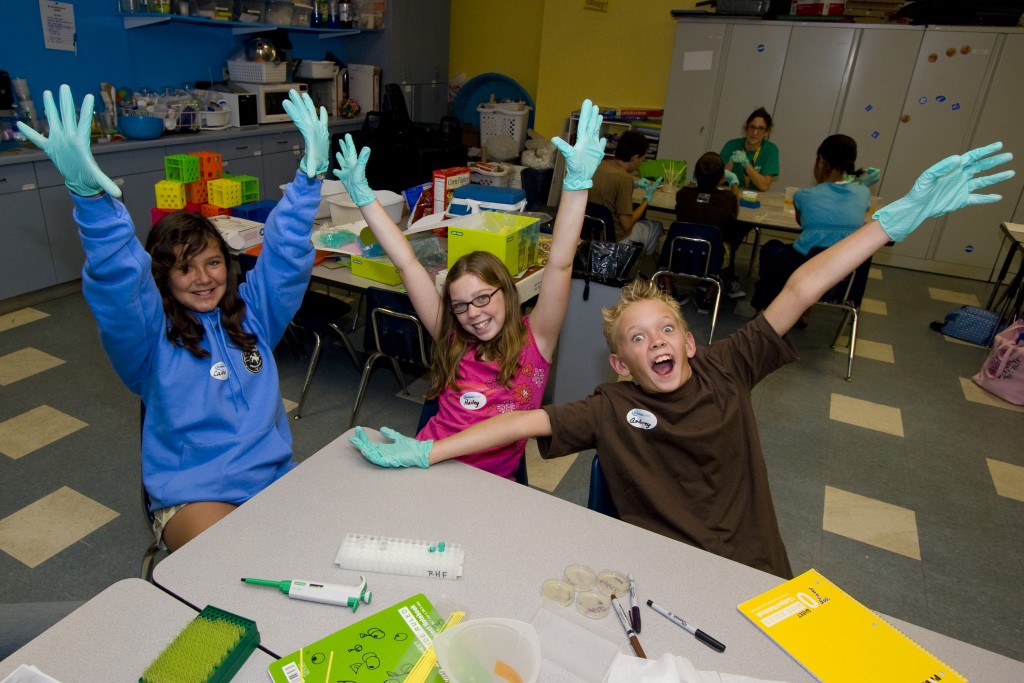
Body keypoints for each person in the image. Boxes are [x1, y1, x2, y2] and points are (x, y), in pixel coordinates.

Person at [349, 142, 1013, 578]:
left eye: (664, 329)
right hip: (653, 569)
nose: (654, 342)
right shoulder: (612, 405)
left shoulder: (727, 366)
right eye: (635, 339)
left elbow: (802, 287)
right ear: (618, 363)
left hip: (753, 569)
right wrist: (425, 452)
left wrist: (893, 220)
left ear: (691, 339)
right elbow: (525, 424)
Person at [18, 85, 332, 551]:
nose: (203, 278)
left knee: (324, 549)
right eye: (184, 268)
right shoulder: (148, 341)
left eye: (212, 262)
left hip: (271, 476)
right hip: (193, 494)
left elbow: (284, 258)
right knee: (231, 563)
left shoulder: (254, 315)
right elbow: (120, 284)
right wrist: (91, 203)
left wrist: (308, 181)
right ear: (162, 277)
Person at [332, 99, 606, 480]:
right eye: (460, 306)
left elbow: (560, 264)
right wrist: (364, 198)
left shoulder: (536, 340)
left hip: (490, 486)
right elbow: (407, 262)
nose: (473, 313)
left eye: (482, 298)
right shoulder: (452, 335)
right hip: (429, 465)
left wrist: (576, 187)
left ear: (507, 294)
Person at [751, 134, 872, 313]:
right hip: (844, 273)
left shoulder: (804, 196)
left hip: (807, 267)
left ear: (821, 161)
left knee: (772, 249)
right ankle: (802, 312)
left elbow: (803, 222)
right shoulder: (863, 192)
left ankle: (769, 310)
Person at [662, 151, 743, 310]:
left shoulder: (683, 195)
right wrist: (734, 185)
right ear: (722, 178)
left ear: (694, 174)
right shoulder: (728, 199)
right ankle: (707, 297)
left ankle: (668, 288)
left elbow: (691, 198)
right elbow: (734, 216)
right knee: (726, 242)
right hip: (711, 257)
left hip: (678, 253)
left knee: (659, 237)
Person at [590, 130, 664, 256]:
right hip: (615, 240)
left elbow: (607, 189)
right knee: (656, 226)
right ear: (635, 157)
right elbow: (627, 225)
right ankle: (631, 264)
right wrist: (646, 200)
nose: (641, 163)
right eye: (642, 159)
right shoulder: (625, 179)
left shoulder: (600, 166)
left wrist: (634, 185)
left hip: (591, 234)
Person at [721, 107, 779, 192]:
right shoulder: (731, 145)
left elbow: (764, 186)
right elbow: (716, 182)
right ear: (746, 129)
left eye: (761, 128)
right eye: (752, 127)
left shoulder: (771, 150)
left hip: (754, 197)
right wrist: (730, 163)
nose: (755, 132)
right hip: (730, 192)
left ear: (766, 132)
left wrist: (747, 165)